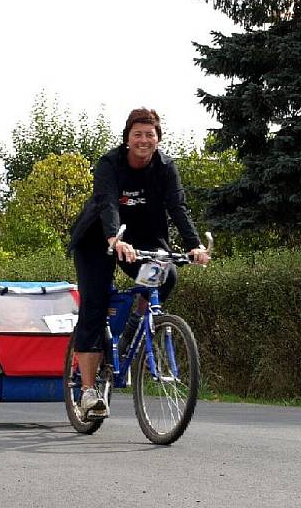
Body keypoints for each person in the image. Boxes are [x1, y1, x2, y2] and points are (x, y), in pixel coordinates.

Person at [68, 107, 210, 418]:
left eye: (150, 134)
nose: (144, 140)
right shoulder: (110, 163)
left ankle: (136, 330)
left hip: (145, 238)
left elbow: (178, 207)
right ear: (128, 138)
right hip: (98, 240)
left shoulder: (166, 167)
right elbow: (107, 203)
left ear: (158, 139)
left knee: (167, 275)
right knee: (95, 303)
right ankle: (89, 392)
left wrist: (194, 245)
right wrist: (113, 239)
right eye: (138, 134)